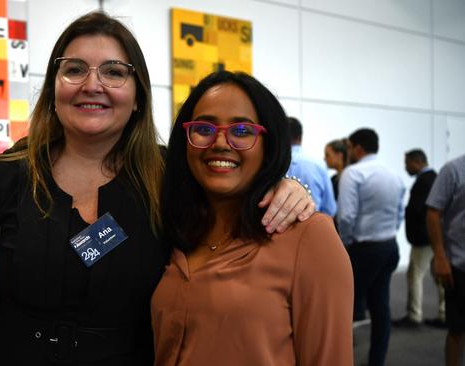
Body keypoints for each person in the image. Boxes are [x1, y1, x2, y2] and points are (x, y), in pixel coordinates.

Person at [0, 12, 315, 366]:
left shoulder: (173, 175)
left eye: (114, 72)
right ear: (53, 88)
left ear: (137, 96)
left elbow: (235, 188)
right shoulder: (4, 177)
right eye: (75, 70)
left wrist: (287, 186)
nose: (92, 85)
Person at [152, 71, 353, 366]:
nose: (220, 142)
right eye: (204, 128)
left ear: (268, 144)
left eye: (242, 131)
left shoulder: (308, 237)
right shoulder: (171, 226)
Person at [336, 128, 405, 366]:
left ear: (357, 148)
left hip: (362, 250)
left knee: (343, 309)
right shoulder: (393, 174)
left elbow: (346, 216)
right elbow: (399, 214)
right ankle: (377, 361)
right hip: (389, 246)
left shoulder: (353, 173)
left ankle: (339, 359)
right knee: (380, 307)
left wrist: (343, 245)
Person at [393, 149, 444, 328]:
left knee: (415, 275)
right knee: (438, 277)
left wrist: (407, 212)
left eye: (407, 163)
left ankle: (415, 314)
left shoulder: (423, 181)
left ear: (416, 162)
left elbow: (417, 209)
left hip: (423, 237)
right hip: (432, 236)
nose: (406, 167)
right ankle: (444, 313)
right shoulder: (435, 178)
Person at [426, 153, 465, 366]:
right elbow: (433, 213)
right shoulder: (454, 169)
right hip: (459, 264)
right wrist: (440, 257)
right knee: (457, 330)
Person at [286, 117, 336, 216]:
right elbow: (330, 208)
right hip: (314, 226)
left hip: (277, 229)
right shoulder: (318, 163)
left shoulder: (271, 161)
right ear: (300, 137)